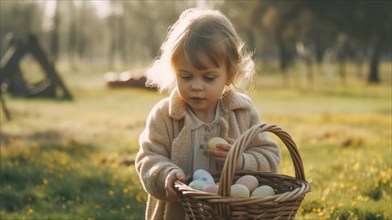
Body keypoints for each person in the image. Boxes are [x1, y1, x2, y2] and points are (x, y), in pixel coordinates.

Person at [135, 8, 281, 220]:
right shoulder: (164, 115)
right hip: (178, 214)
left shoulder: (242, 112)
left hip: (228, 214)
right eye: (186, 76)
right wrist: (166, 175)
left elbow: (270, 158)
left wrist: (241, 161)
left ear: (229, 75)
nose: (196, 86)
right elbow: (148, 158)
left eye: (209, 78)